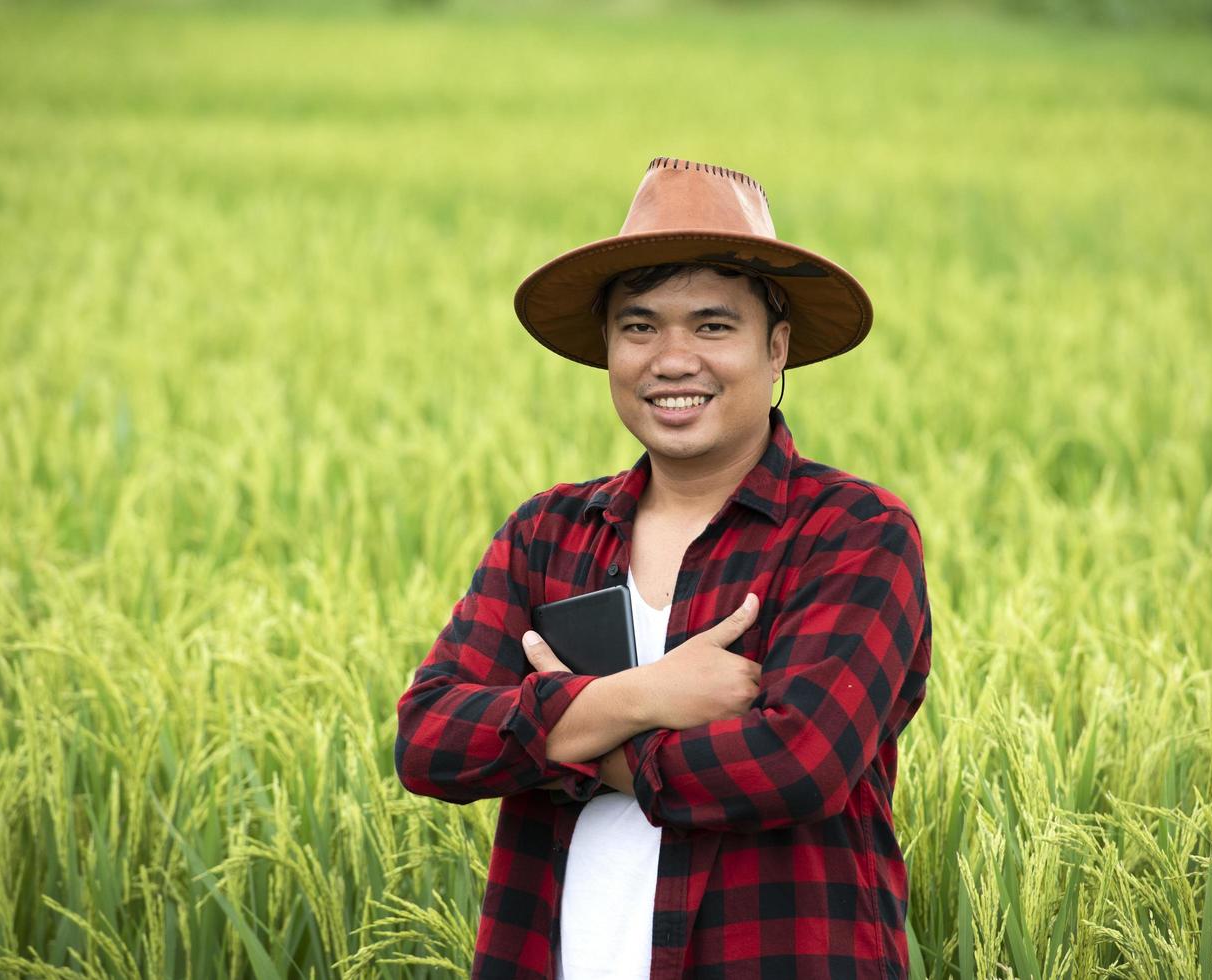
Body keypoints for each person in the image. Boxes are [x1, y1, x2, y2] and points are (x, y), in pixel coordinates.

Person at [395, 156, 932, 980]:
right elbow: (430, 738)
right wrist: (645, 696)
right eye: (639, 326)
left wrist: (562, 733)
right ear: (609, 347)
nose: (671, 359)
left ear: (776, 346)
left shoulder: (852, 532)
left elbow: (796, 764)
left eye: (713, 327)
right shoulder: (549, 533)